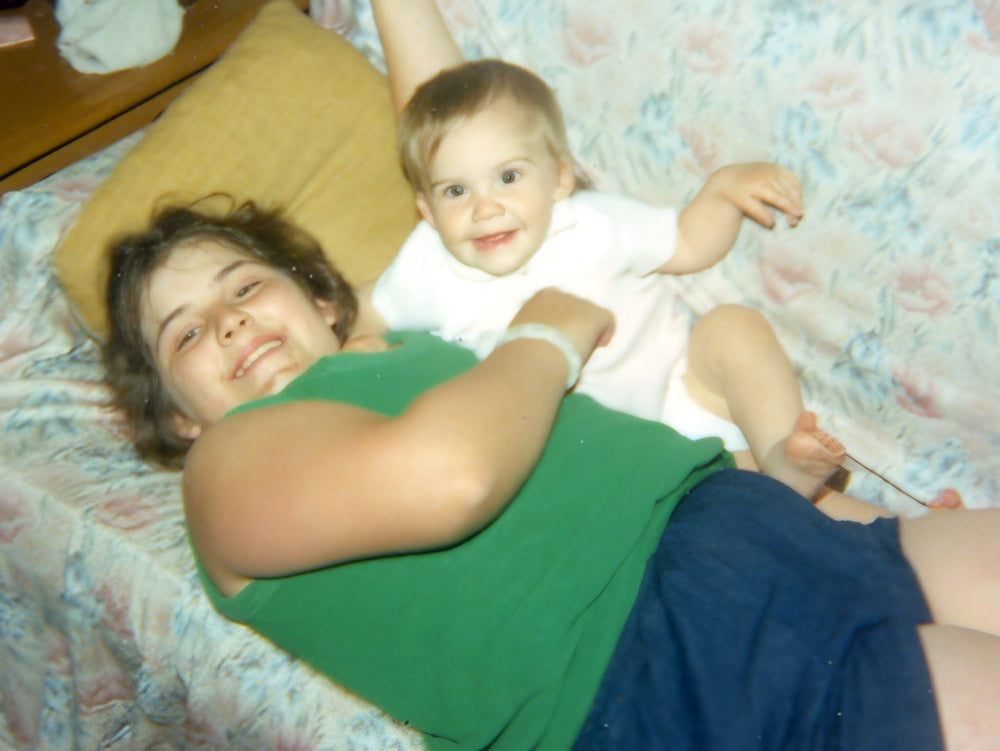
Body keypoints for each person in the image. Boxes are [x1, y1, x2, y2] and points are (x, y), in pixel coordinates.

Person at [97, 1, 1000, 748]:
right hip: (650, 664)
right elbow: (451, 476)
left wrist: (863, 518)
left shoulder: (424, 343)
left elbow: (456, 141)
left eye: (245, 286)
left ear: (325, 300)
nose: (231, 321)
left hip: (746, 529)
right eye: (187, 335)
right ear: (178, 418)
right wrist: (548, 333)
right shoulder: (229, 466)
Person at [362, 57, 958, 518]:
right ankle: (895, 528)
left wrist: (722, 191)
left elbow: (688, 243)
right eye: (456, 191)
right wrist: (358, 344)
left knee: (732, 326)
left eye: (509, 177)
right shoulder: (426, 267)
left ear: (560, 178)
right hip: (609, 461)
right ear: (426, 209)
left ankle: (785, 454)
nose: (485, 207)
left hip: (686, 392)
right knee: (788, 507)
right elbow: (367, 312)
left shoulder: (591, 224)